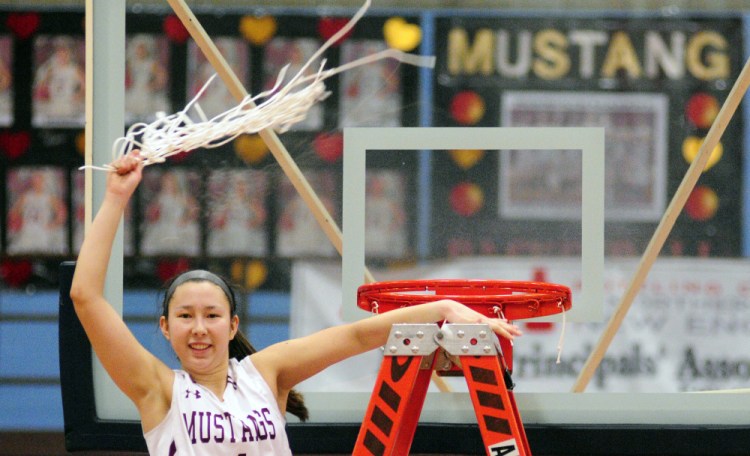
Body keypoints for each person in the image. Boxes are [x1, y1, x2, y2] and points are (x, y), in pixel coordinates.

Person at [70, 151, 522, 455]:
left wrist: (443, 309)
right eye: (185, 317)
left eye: (212, 315)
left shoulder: (265, 372)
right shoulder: (159, 389)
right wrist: (114, 198)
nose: (199, 327)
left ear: (233, 325)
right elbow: (85, 297)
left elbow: (358, 333)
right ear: (166, 328)